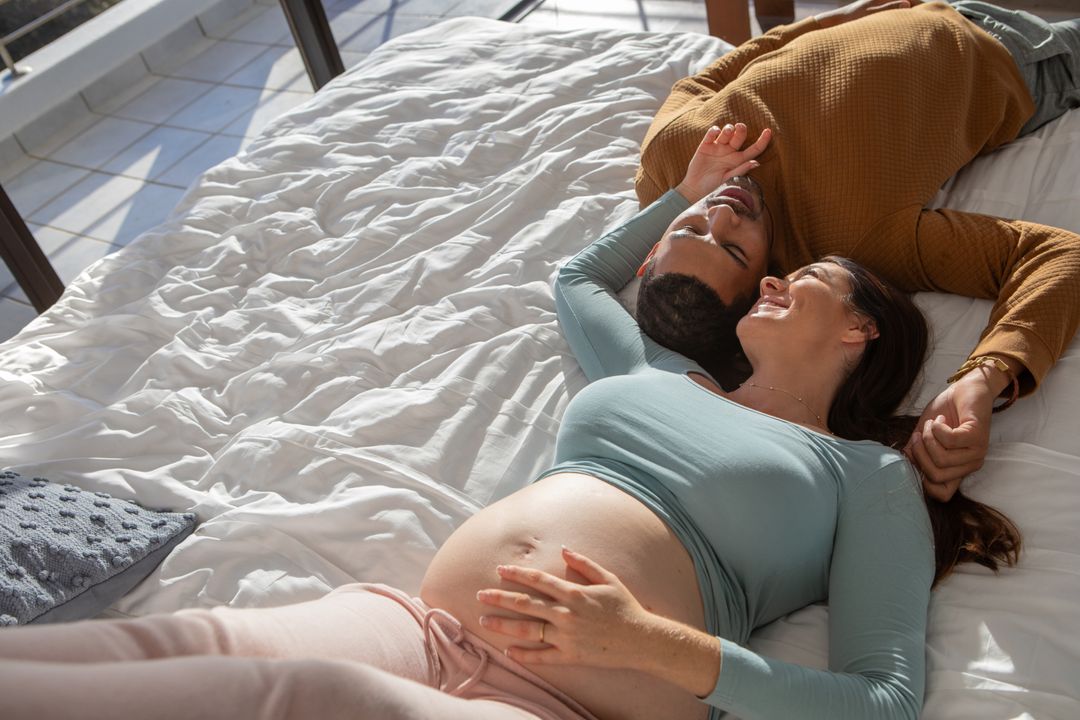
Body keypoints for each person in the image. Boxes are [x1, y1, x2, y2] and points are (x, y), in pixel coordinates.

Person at [0, 131, 1019, 720]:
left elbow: (882, 701)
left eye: (809, 282)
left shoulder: (860, 474)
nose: (776, 276)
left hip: (570, 705)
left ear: (860, 332)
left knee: (296, 693)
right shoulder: (659, 371)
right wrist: (687, 192)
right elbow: (577, 279)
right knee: (161, 648)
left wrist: (654, 644)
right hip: (424, 623)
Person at [633, 0, 1080, 504]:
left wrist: (834, 20)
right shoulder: (853, 243)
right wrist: (983, 378)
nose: (722, 213)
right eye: (735, 250)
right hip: (1012, 55)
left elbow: (700, 84)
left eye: (692, 229)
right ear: (765, 278)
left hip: (899, 10)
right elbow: (1057, 255)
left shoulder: (669, 161)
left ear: (653, 246)